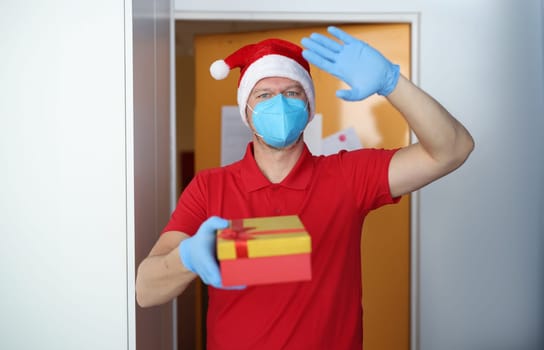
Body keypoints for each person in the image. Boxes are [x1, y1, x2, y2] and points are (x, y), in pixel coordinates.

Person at [135, 26, 474, 349]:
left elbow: (453, 149)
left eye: (292, 93)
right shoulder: (209, 188)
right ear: (247, 111)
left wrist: (392, 82)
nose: (279, 104)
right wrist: (188, 258)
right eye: (264, 94)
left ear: (309, 108)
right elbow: (145, 291)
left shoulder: (348, 176)